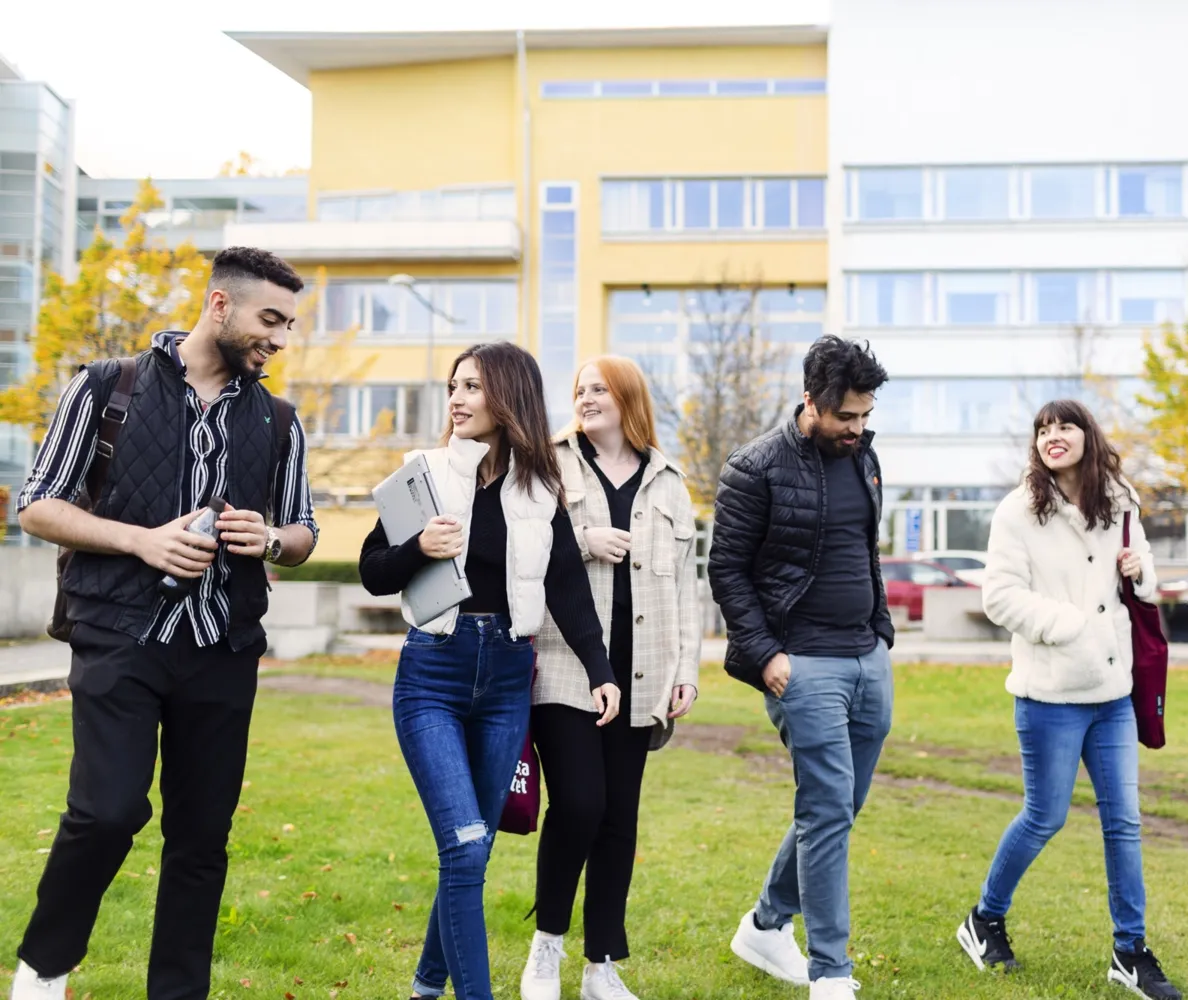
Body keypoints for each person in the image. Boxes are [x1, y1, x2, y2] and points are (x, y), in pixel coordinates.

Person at [9, 248, 318, 1000]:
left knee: (201, 839)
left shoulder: (279, 418)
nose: (279, 338)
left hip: (223, 646)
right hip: (120, 635)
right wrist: (141, 540)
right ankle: (45, 969)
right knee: (108, 812)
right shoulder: (105, 387)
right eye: (269, 319)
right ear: (219, 305)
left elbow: (304, 529)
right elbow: (38, 503)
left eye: (288, 324)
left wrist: (270, 540)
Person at [358, 342, 617, 1000]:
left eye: (471, 386)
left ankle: (424, 988)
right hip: (433, 677)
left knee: (473, 852)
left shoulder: (539, 487)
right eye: (453, 386)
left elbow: (566, 586)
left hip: (507, 679)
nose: (456, 398)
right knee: (467, 845)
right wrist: (418, 547)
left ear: (508, 398)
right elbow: (372, 571)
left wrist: (599, 669)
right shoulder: (423, 473)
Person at [955, 399, 1181, 1000]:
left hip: (1112, 692)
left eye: (1065, 425)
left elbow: (1142, 581)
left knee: (1124, 823)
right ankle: (983, 919)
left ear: (1087, 434)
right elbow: (999, 597)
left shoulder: (1120, 497)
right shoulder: (1017, 511)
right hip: (1050, 694)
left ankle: (1130, 952)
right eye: (1043, 429)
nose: (1053, 435)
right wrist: (1069, 625)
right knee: (1045, 817)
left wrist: (1142, 572)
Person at [709, 336, 894, 1000]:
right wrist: (767, 657)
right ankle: (831, 972)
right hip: (801, 663)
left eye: (866, 415)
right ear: (811, 401)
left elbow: (862, 550)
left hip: (866, 657)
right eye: (846, 416)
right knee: (825, 809)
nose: (858, 428)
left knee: (838, 808)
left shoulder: (865, 457)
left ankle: (763, 926)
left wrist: (879, 633)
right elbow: (726, 572)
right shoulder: (754, 466)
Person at [520, 355, 701, 1000]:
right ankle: (547, 949)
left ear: (628, 398)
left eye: (599, 388)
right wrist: (580, 538)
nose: (586, 398)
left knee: (619, 819)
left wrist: (687, 671)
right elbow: (517, 552)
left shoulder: (670, 482)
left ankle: (601, 966)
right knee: (579, 804)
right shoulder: (546, 464)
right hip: (567, 664)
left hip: (645, 672)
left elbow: (686, 586)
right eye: (579, 390)